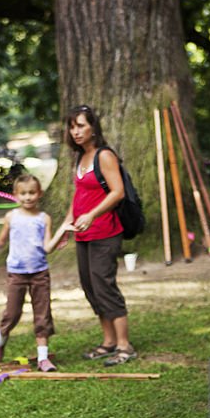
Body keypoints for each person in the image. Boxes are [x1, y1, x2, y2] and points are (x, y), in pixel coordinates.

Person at [64, 105, 136, 366]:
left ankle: (124, 345)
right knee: (90, 286)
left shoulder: (104, 155)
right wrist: (67, 225)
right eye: (72, 127)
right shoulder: (80, 158)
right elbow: (79, 195)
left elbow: (116, 192)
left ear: (93, 127)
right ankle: (108, 342)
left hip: (105, 232)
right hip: (83, 234)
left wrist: (92, 215)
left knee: (105, 285)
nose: (76, 131)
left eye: (81, 125)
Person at [0, 174, 71, 372]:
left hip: (39, 273)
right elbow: (1, 241)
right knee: (12, 313)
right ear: (16, 195)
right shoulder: (11, 217)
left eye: (32, 193)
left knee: (42, 315)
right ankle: (0, 340)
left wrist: (63, 231)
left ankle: (43, 358)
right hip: (16, 273)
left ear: (39, 194)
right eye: (23, 193)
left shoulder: (44, 219)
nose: (28, 197)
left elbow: (48, 247)